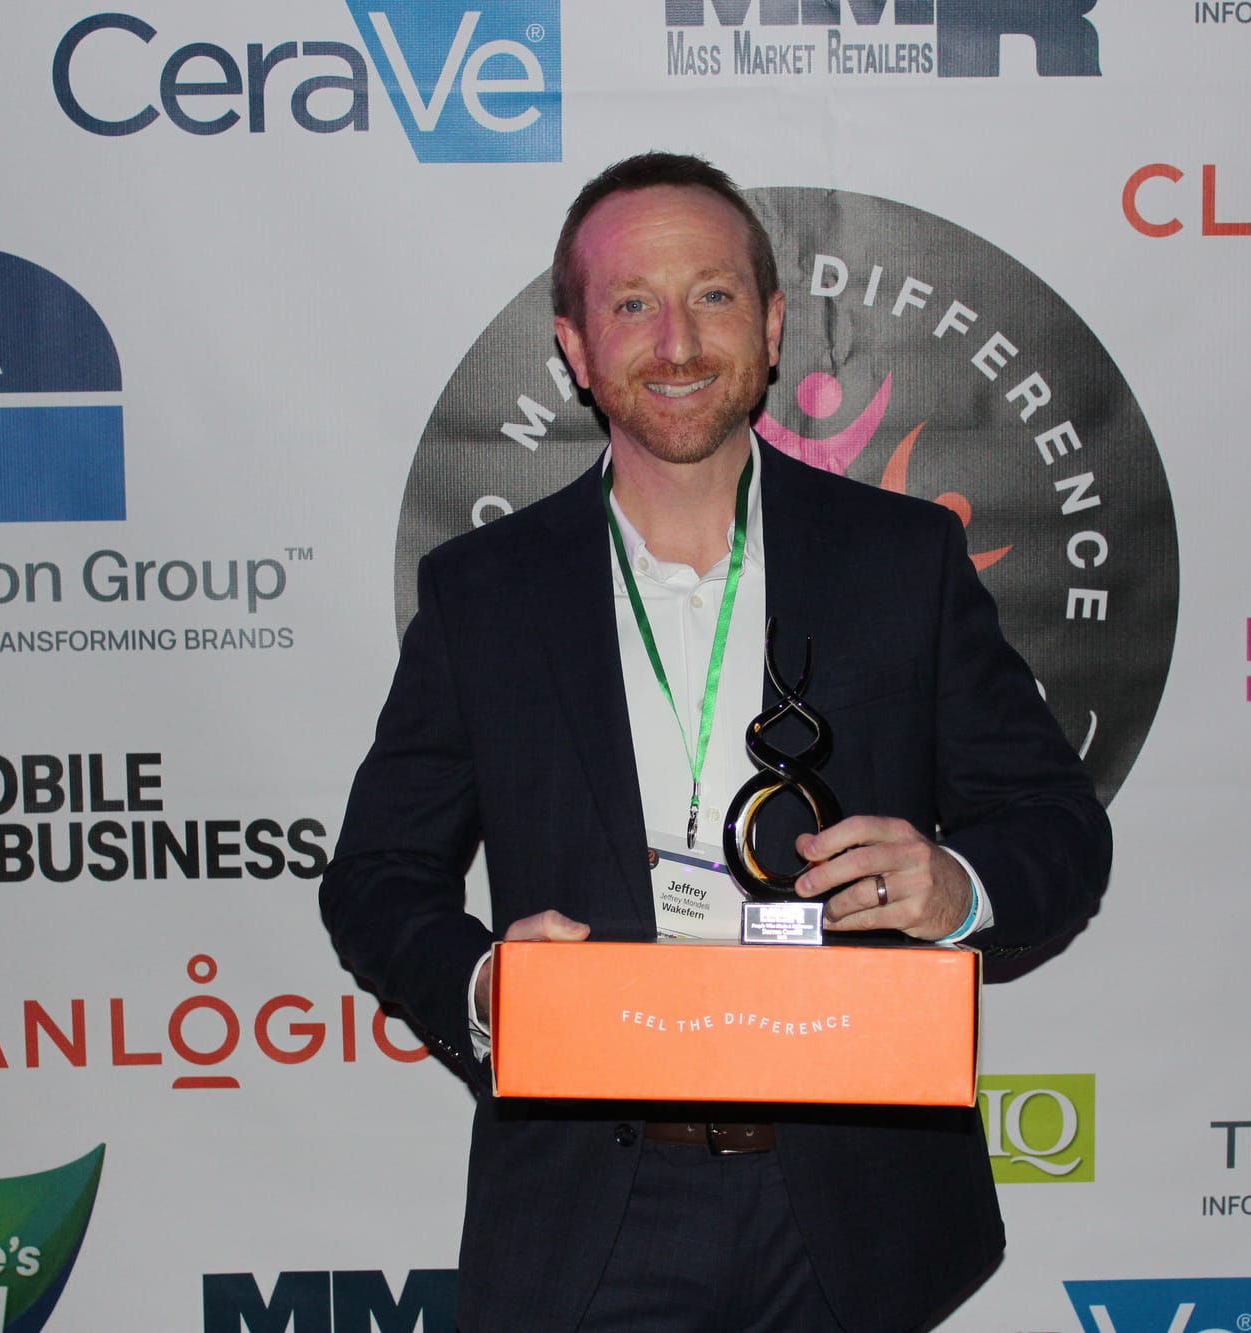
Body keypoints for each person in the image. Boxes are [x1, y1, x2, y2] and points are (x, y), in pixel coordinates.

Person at [322, 151, 1112, 1332]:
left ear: (772, 323)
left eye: (712, 295)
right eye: (631, 303)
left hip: (854, 1205)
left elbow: (1058, 830)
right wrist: (493, 985)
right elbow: (376, 880)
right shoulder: (482, 592)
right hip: (591, 1207)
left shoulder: (902, 562)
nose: (678, 341)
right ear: (574, 346)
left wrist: (957, 885)